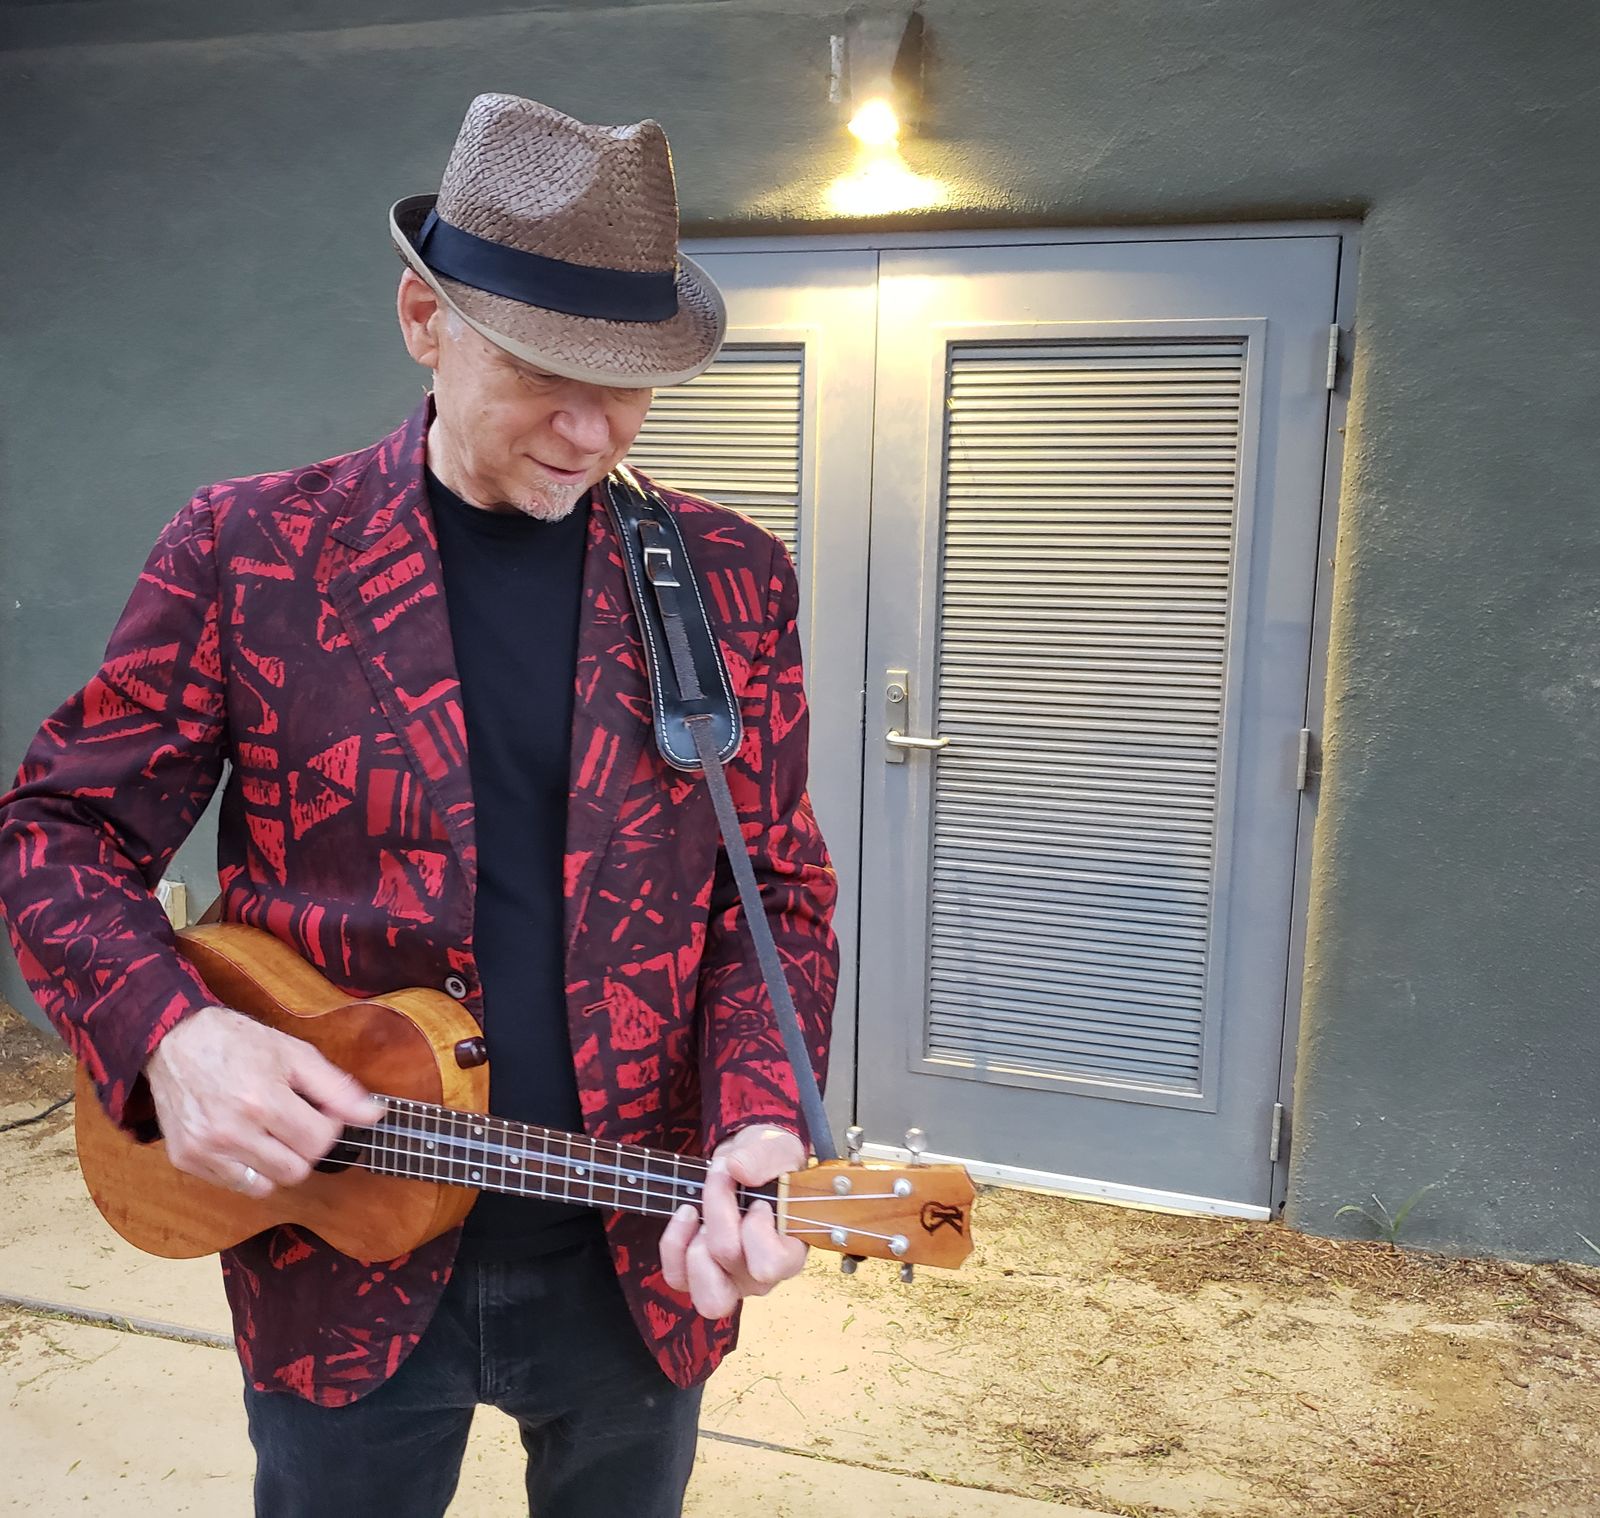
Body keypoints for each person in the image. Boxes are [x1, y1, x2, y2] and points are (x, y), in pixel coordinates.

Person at [0, 93, 838, 1518]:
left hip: (634, 1263)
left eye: (631, 382)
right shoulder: (250, 549)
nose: (593, 428)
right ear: (422, 321)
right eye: (544, 370)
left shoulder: (731, 582)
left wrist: (762, 1121)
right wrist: (172, 1034)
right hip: (329, 1248)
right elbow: (57, 834)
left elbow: (779, 897)